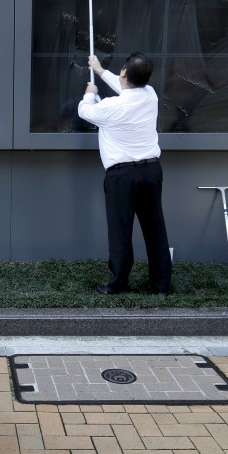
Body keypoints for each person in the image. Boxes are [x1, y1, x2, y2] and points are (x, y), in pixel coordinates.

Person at [77, 53, 172, 295]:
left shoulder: (110, 107)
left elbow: (85, 111)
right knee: (155, 228)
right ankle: (161, 285)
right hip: (151, 171)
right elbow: (125, 89)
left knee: (120, 229)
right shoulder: (150, 95)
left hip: (122, 176)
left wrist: (90, 92)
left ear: (124, 74)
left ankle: (118, 284)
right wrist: (100, 70)